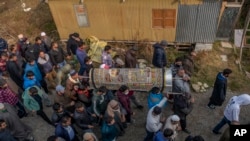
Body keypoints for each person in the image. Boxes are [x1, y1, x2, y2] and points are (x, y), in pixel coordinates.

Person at [173, 68, 194, 134]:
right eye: (181, 73)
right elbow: (185, 90)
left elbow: (188, 77)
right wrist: (191, 103)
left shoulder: (183, 74)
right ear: (177, 72)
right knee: (182, 118)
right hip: (180, 102)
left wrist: (188, 78)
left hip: (181, 98)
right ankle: (183, 127)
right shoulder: (177, 80)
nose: (183, 74)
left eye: (183, 73)